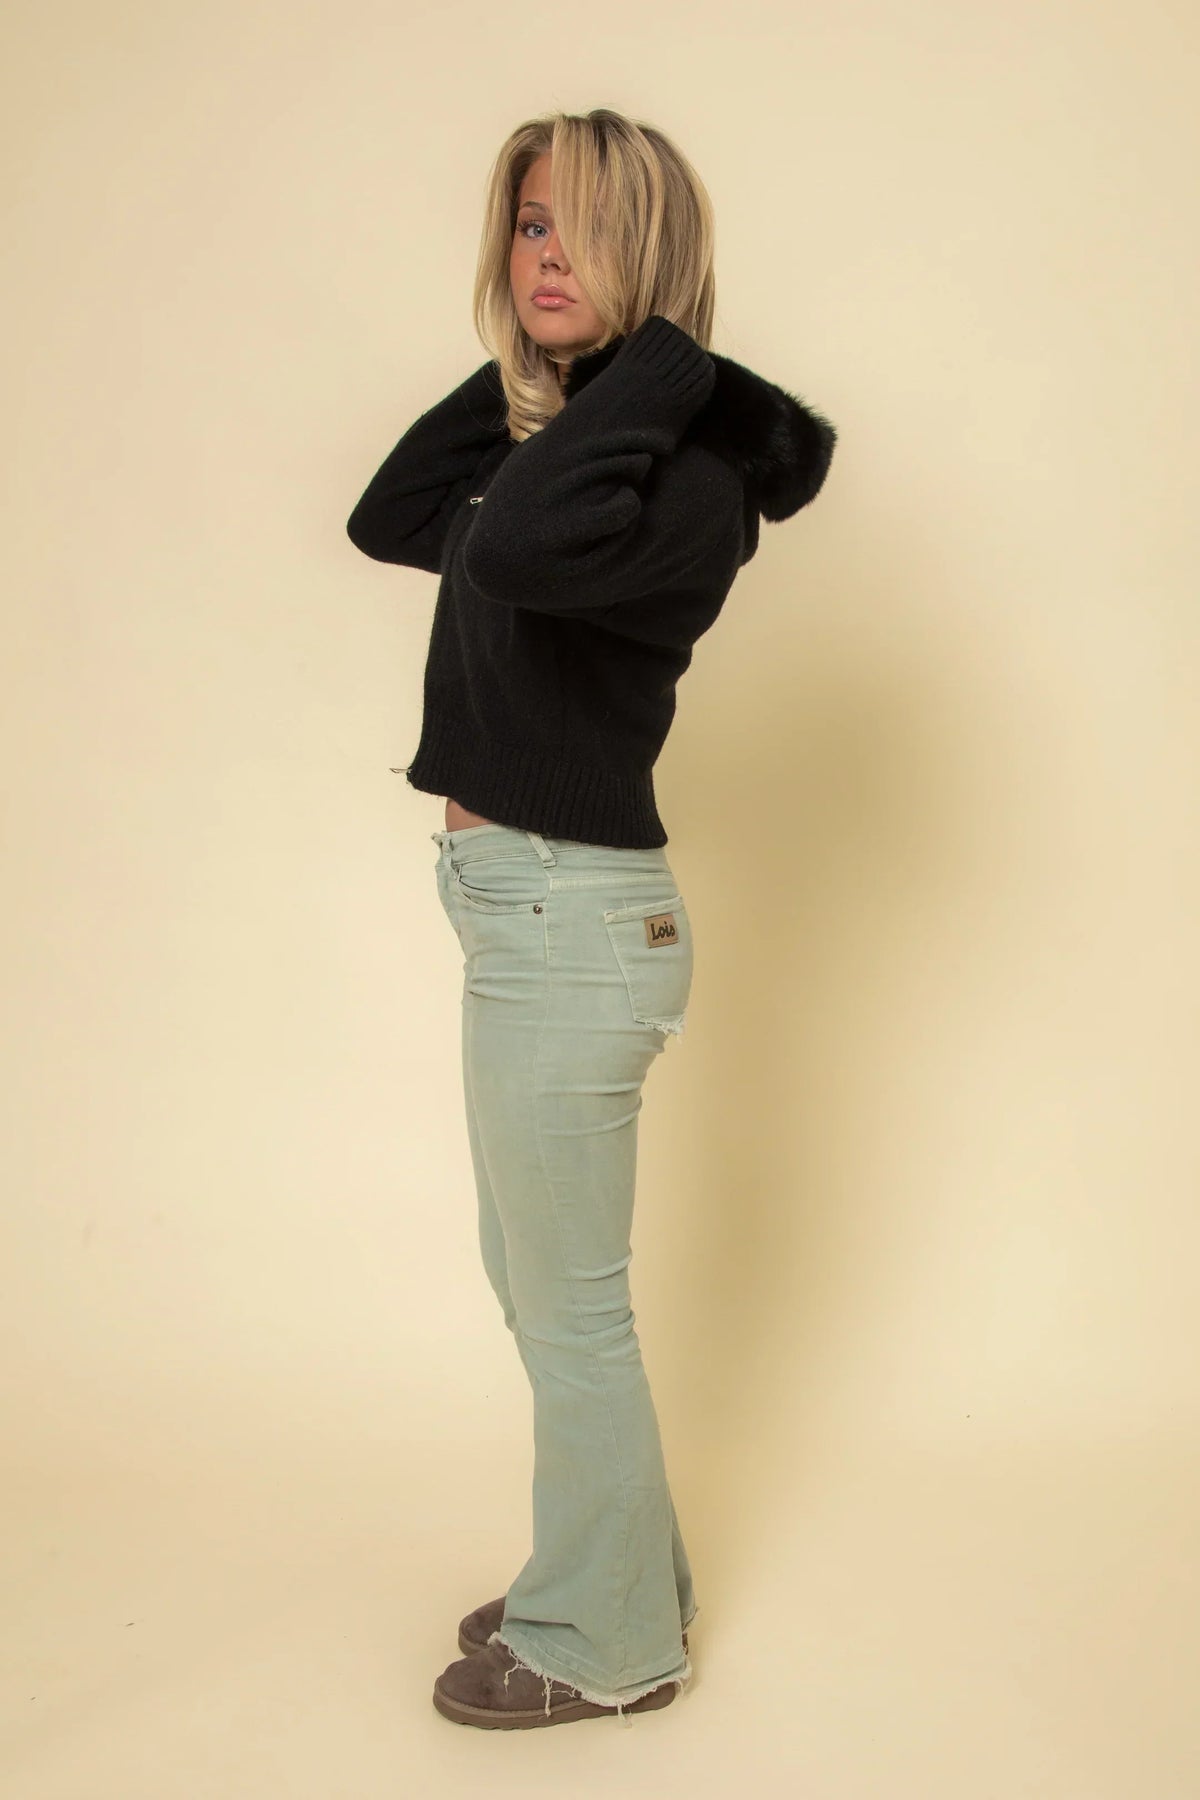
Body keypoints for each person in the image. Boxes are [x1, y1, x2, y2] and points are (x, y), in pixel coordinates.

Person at [346, 107, 837, 1730]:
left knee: (570, 1312)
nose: (546, 255)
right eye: (529, 225)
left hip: (575, 916)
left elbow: (524, 553)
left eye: (586, 229)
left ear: (660, 256)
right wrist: (542, 365)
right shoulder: (560, 439)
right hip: (520, 911)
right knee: (535, 1284)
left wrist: (662, 366)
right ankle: (621, 1570)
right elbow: (393, 514)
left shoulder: (685, 480)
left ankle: (606, 1646)